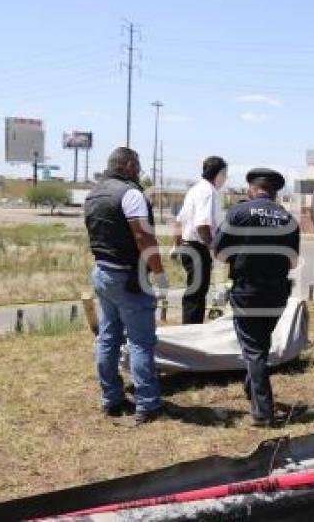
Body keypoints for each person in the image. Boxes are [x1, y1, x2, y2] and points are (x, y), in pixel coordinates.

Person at [84, 147, 168, 424]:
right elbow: (143, 238)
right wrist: (159, 273)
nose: (140, 172)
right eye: (138, 166)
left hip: (102, 272)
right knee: (141, 342)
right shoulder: (130, 194)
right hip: (128, 277)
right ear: (129, 165)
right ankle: (148, 403)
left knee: (108, 338)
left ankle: (111, 398)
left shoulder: (94, 194)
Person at [212, 168, 299, 427]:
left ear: (252, 189)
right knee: (259, 345)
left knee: (253, 350)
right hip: (277, 292)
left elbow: (218, 253)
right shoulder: (288, 218)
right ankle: (251, 388)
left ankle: (263, 412)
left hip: (247, 290)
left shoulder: (238, 213)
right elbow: (293, 263)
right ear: (274, 191)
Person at [173, 156, 227, 324]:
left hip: (188, 247)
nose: (225, 179)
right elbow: (202, 225)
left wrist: (177, 245)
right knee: (196, 295)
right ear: (219, 174)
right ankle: (191, 332)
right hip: (197, 248)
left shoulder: (194, 189)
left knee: (193, 293)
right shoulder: (208, 192)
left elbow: (178, 221)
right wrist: (213, 248)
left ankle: (188, 329)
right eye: (225, 175)